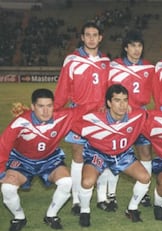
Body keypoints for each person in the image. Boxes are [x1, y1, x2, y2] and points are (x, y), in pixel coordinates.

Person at [0, 89, 96, 231]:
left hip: (50, 159)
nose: (45, 111)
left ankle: (51, 215)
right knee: (7, 188)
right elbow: (3, 145)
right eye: (41, 106)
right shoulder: (20, 122)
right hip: (22, 160)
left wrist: (110, 104)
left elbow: (87, 108)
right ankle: (19, 217)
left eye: (49, 106)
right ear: (32, 107)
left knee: (66, 182)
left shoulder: (62, 117)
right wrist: (1, 172)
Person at [71, 84, 150, 227]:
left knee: (145, 178)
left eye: (125, 100)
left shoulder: (137, 115)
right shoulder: (93, 118)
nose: (122, 105)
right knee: (87, 182)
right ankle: (84, 211)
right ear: (108, 103)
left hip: (123, 155)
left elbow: (157, 117)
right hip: (98, 154)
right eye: (117, 100)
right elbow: (68, 119)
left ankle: (132, 209)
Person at [54, 21, 110, 215]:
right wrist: (54, 110)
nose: (91, 38)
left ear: (100, 38)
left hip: (101, 117)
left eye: (95, 35)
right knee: (78, 156)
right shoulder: (72, 60)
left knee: (101, 156)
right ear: (82, 37)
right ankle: (77, 200)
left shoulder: (106, 62)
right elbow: (62, 88)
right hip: (78, 115)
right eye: (88, 35)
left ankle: (102, 197)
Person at [105, 30, 155, 209]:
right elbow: (106, 92)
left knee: (146, 153)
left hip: (141, 117)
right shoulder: (114, 66)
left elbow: (155, 92)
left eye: (139, 46)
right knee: (115, 154)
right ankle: (111, 194)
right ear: (126, 47)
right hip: (119, 118)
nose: (136, 49)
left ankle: (144, 192)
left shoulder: (149, 68)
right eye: (133, 45)